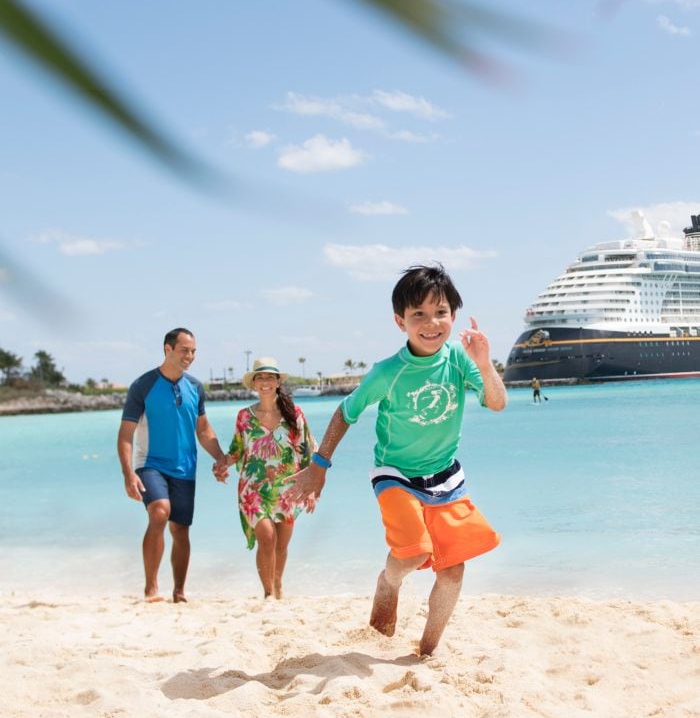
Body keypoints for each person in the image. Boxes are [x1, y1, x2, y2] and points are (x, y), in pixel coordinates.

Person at [289, 264, 507, 656]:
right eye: (417, 315)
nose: (430, 323)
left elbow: (496, 403)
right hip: (395, 476)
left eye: (439, 312)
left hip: (445, 478)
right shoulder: (387, 372)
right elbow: (345, 412)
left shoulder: (459, 360)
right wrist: (320, 466)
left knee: (453, 571)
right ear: (399, 321)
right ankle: (389, 582)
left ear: (453, 316)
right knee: (416, 552)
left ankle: (426, 650)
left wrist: (484, 362)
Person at [117, 327, 227, 603]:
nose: (189, 356)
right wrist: (128, 473)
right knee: (159, 512)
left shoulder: (195, 388)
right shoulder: (143, 386)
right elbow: (125, 435)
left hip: (185, 469)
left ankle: (178, 591)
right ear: (168, 349)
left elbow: (203, 430)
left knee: (180, 529)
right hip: (150, 464)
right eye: (184, 350)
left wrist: (221, 458)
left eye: (193, 351)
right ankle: (151, 588)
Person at [213, 358, 316, 599]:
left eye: (270, 377)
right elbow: (237, 451)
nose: (265, 382)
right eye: (260, 377)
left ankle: (278, 583)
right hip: (253, 488)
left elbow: (306, 452)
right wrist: (221, 464)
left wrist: (310, 489)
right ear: (254, 384)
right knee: (267, 538)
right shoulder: (244, 417)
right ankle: (268, 593)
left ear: (278, 382)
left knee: (281, 545)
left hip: (288, 488)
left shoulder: (295, 414)